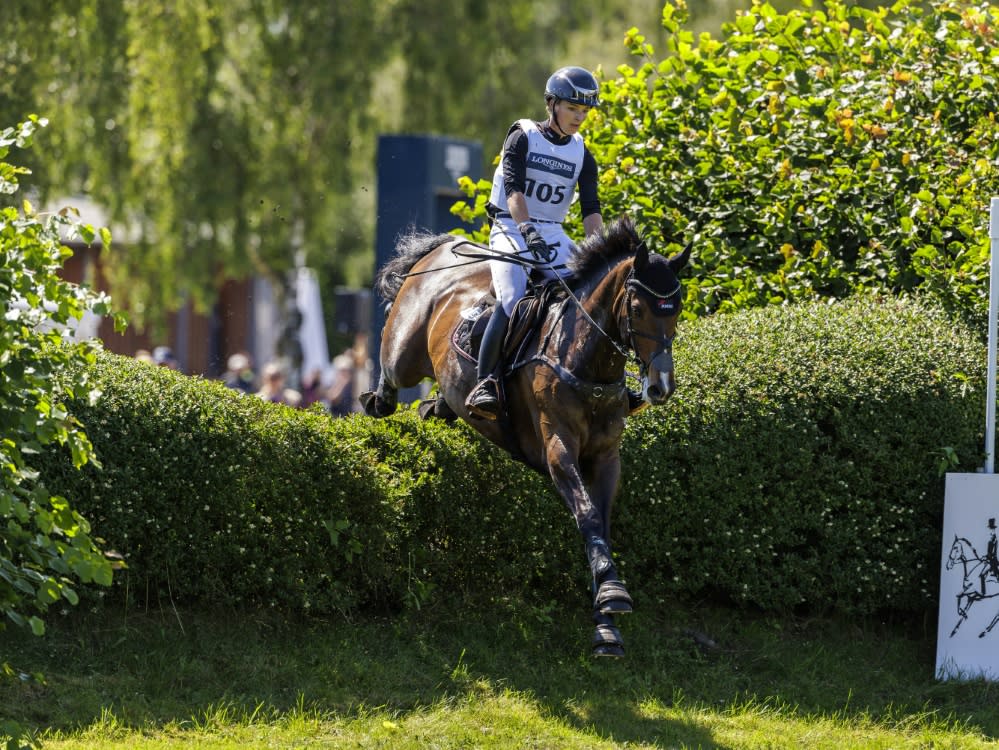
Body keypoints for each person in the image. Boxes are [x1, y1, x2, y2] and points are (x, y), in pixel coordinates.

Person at [464, 65, 605, 420]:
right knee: (512, 299)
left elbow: (591, 209)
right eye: (573, 108)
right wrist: (526, 230)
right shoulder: (522, 136)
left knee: (593, 296)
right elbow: (513, 189)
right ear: (552, 104)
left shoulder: (582, 153)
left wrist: (600, 252)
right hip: (512, 227)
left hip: (553, 233)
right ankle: (486, 383)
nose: (580, 117)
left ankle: (604, 382)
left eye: (585, 111)